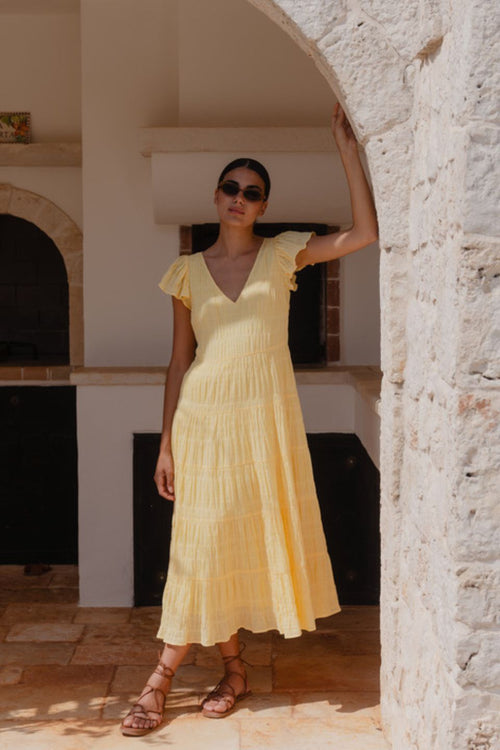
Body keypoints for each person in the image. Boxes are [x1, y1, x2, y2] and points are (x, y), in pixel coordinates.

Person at [120, 103, 378, 736]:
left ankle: (232, 671)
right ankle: (165, 680)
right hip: (204, 422)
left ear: (264, 206)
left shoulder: (284, 254)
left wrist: (347, 149)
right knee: (199, 544)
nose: (239, 198)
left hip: (263, 425)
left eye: (252, 192)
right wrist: (165, 446)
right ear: (216, 196)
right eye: (231, 188)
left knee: (230, 541)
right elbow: (179, 365)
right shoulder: (186, 272)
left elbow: (363, 234)